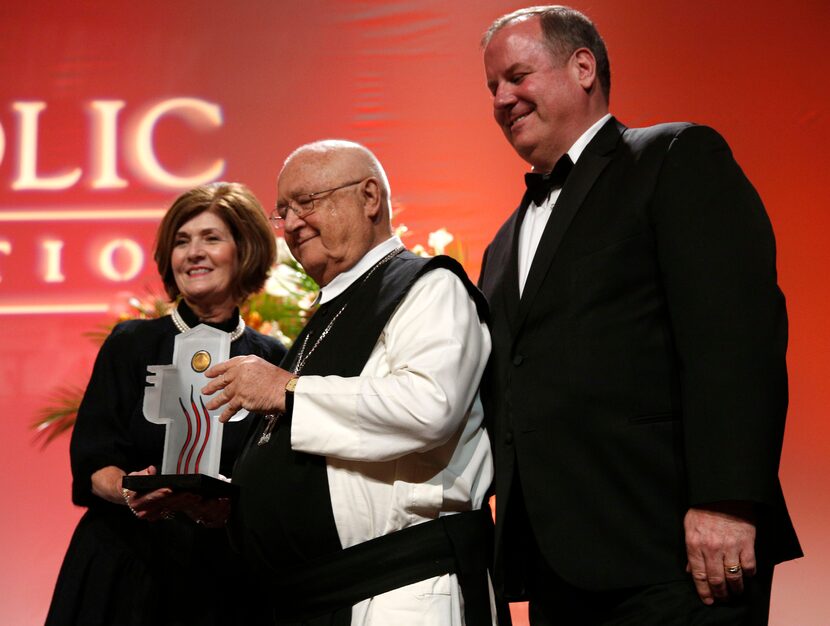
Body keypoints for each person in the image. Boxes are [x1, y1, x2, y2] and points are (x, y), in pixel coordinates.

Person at [477, 6, 801, 625]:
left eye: (517, 75)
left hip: (679, 556)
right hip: (556, 571)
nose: (502, 98)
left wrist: (726, 502)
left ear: (582, 67)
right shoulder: (502, 244)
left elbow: (735, 339)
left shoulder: (672, 156)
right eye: (492, 87)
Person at [201, 140, 498, 625]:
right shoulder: (330, 312)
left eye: (307, 203)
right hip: (321, 595)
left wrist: (287, 390)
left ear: (369, 197)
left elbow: (430, 406)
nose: (292, 224)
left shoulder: (428, 287)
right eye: (283, 212)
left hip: (400, 589)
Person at [46, 182, 287, 626]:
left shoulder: (273, 359)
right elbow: (95, 458)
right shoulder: (130, 343)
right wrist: (128, 490)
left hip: (225, 581)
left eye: (211, 238)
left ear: (245, 250)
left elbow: (275, 479)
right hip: (125, 567)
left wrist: (228, 509)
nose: (194, 252)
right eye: (182, 241)